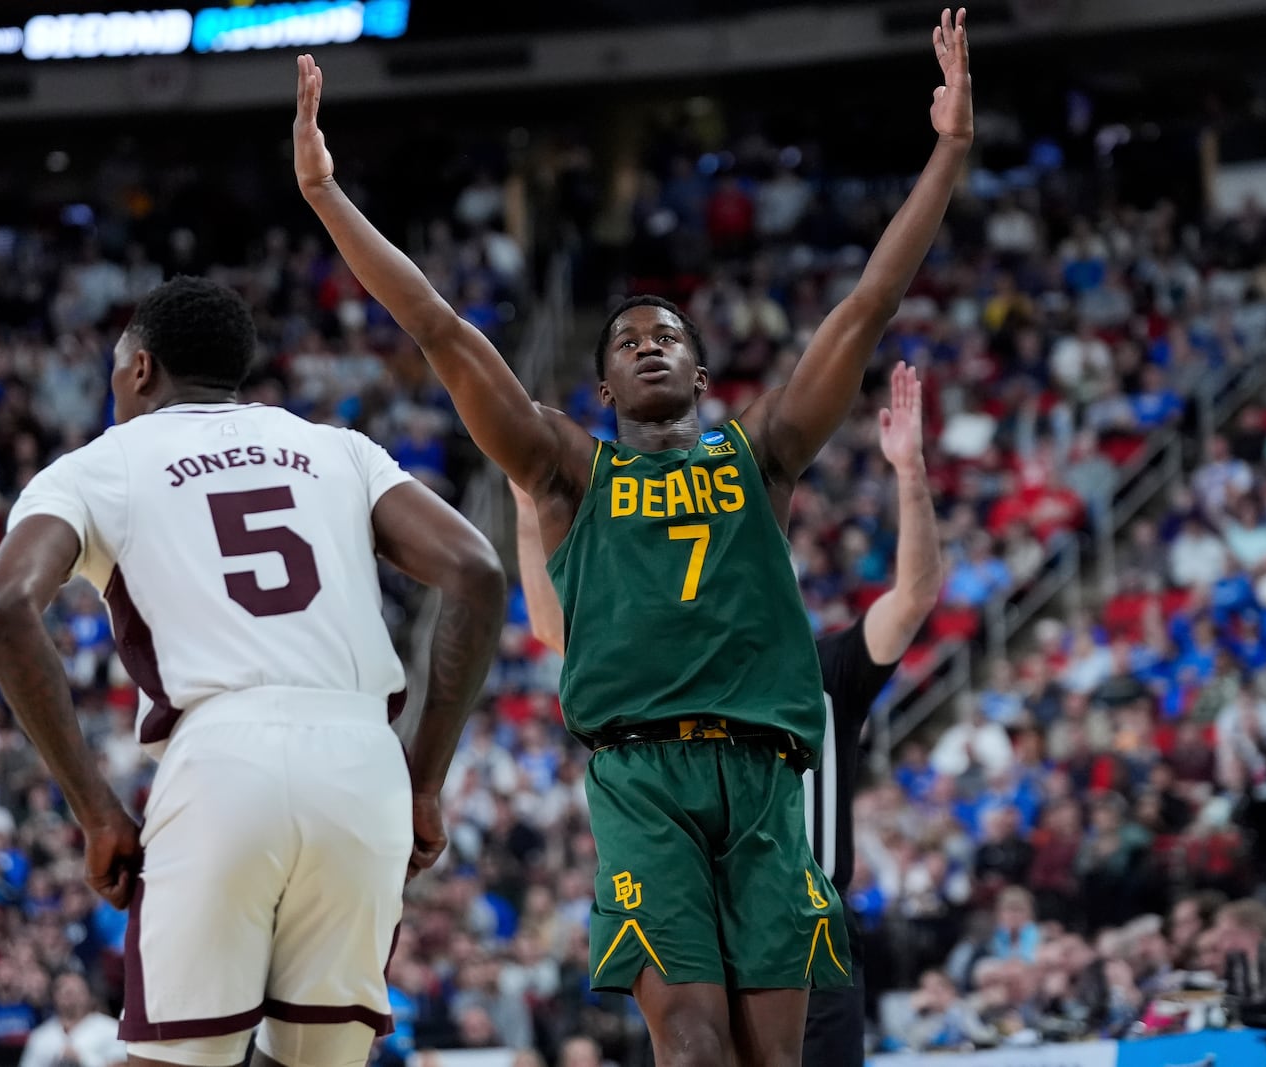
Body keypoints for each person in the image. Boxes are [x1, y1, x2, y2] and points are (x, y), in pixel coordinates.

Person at [297, 11, 968, 1064]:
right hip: (641, 776)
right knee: (693, 1047)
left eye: (666, 337)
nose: (646, 343)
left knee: (771, 1057)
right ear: (603, 385)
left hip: (763, 779)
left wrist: (950, 150)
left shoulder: (765, 452)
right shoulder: (567, 468)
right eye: (626, 341)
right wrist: (329, 197)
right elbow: (437, 325)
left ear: (700, 377)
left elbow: (866, 304)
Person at [0, 277, 507, 1067]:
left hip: (223, 757)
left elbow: (6, 604)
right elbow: (476, 569)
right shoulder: (339, 447)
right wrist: (423, 781)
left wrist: (95, 810)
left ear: (141, 369)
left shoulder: (98, 464)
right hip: (363, 764)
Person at [513, 382, 942, 1067]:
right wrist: (528, 494)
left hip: (797, 923)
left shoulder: (831, 667)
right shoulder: (668, 668)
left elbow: (916, 595)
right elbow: (553, 624)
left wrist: (911, 474)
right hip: (700, 911)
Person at [19, 974, 126, 1067]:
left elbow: (123, 1065)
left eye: (76, 991)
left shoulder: (112, 1029)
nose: (70, 997)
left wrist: (84, 1059)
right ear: (54, 996)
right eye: (65, 991)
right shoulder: (41, 1036)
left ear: (89, 995)